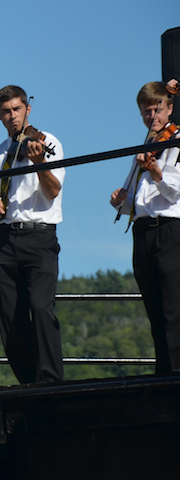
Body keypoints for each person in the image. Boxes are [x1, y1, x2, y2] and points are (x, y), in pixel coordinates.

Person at [0, 85, 65, 384]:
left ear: (28, 109)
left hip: (39, 236)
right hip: (4, 238)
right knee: (10, 317)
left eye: (17, 109)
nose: (12, 116)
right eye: (6, 111)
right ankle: (27, 383)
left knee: (41, 308)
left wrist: (40, 164)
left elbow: (52, 191)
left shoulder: (48, 142)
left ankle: (50, 382)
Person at [110, 81, 180, 372]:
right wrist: (120, 201)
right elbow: (136, 202)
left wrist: (156, 172)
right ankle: (164, 372)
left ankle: (175, 374)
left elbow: (176, 192)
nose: (152, 117)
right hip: (143, 232)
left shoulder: (177, 141)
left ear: (170, 109)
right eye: (146, 112)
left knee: (174, 308)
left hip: (170, 229)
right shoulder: (145, 147)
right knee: (154, 307)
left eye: (157, 110)